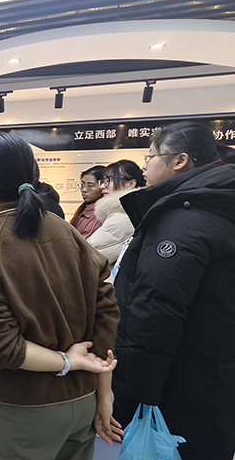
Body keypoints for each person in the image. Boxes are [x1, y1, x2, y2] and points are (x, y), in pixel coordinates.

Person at [0, 132, 121, 460]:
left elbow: (0, 346)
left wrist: (66, 362)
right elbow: (107, 310)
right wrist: (104, 393)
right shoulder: (67, 231)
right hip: (82, 402)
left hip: (22, 411)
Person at [112, 121, 235, 459]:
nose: (145, 167)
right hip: (210, 377)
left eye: (150, 156)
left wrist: (136, 397)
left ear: (180, 161)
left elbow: (156, 314)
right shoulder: (212, 205)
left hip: (177, 392)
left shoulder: (184, 218)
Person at [87, 160, 145, 267]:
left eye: (108, 181)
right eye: (102, 181)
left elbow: (87, 256)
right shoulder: (132, 210)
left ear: (131, 184)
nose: (102, 186)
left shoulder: (123, 217)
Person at [70, 165, 105, 238]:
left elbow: (85, 241)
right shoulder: (84, 209)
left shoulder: (100, 214)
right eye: (82, 185)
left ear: (103, 186)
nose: (84, 190)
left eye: (90, 186)